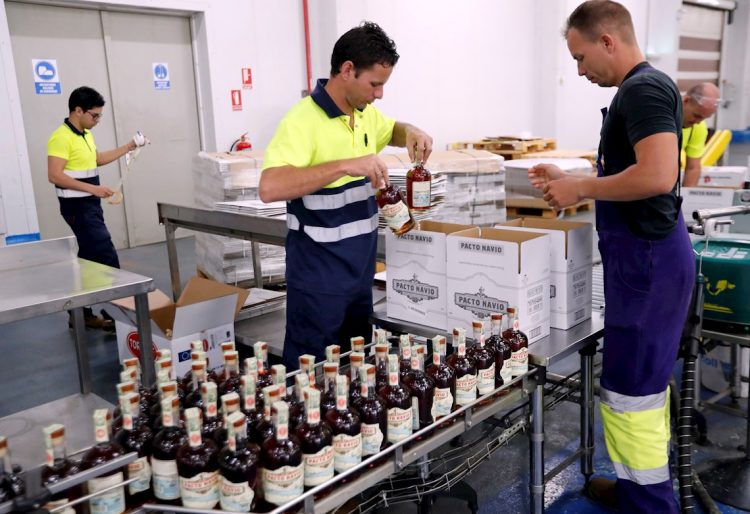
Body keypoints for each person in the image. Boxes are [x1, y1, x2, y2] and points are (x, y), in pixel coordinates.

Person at [528, 2, 694, 512]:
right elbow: (634, 166)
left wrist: (580, 186)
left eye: (580, 57)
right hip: (642, 263)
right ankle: (633, 490)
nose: (579, 70)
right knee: (631, 385)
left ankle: (650, 506)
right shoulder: (643, 88)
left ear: (608, 41)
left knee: (633, 394)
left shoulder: (642, 89)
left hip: (647, 264)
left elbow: (657, 175)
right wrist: (574, 173)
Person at [259, 21, 432, 369]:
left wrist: (410, 130)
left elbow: (391, 129)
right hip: (318, 284)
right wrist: (344, 165)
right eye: (375, 84)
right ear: (347, 70)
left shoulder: (363, 113)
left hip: (358, 279)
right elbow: (270, 187)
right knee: (310, 377)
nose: (379, 94)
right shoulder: (302, 121)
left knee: (354, 372)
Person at [48, 86, 148, 329]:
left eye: (100, 115)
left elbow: (95, 159)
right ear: (77, 110)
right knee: (104, 253)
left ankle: (79, 314)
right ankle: (118, 313)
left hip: (89, 205)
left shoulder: (85, 134)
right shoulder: (61, 137)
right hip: (76, 207)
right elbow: (54, 175)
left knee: (88, 259)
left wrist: (129, 146)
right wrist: (94, 189)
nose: (98, 120)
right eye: (94, 115)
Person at [681, 82, 721, 187]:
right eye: (697, 115)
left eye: (704, 118)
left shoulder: (698, 127)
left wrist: (686, 198)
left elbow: (693, 168)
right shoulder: (662, 119)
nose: (698, 122)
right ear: (686, 101)